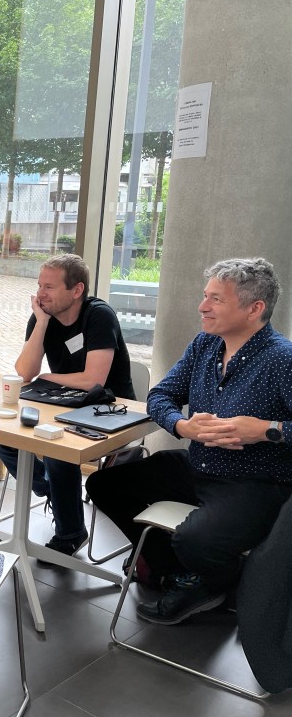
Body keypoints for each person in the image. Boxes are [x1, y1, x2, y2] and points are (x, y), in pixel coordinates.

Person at [86, 258, 292, 626]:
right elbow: (160, 396)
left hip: (254, 483)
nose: (202, 306)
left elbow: (278, 428)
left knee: (195, 539)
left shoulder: (282, 359)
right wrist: (183, 427)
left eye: (216, 299)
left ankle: (217, 582)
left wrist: (265, 429)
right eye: (204, 296)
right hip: (197, 466)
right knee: (104, 483)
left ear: (254, 309)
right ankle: (183, 573)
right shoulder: (205, 345)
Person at [0, 254, 134, 556]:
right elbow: (24, 372)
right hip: (62, 404)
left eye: (49, 287)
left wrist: (49, 375)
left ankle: (71, 532)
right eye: (39, 285)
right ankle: (57, 496)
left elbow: (94, 380)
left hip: (109, 408)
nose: (40, 294)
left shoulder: (98, 316)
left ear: (76, 290)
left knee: (60, 454)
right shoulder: (43, 317)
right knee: (4, 439)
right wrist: (41, 324)